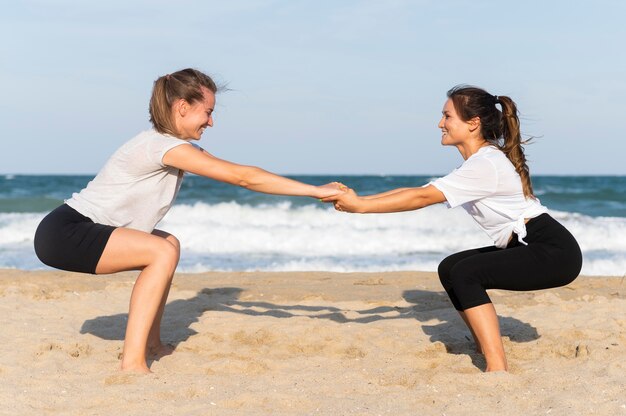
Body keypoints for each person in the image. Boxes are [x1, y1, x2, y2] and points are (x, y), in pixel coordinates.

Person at [34, 68, 345, 373]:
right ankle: (131, 364)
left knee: (167, 243)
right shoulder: (162, 147)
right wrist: (316, 191)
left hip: (74, 228)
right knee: (161, 251)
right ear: (182, 107)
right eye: (207, 112)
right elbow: (243, 178)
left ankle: (152, 345)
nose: (211, 121)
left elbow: (243, 174)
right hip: (67, 232)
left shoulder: (169, 145)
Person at [323, 85, 582, 372]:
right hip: (534, 245)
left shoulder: (486, 164)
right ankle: (483, 346)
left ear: (473, 124)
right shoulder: (481, 162)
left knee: (466, 273)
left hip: (553, 251)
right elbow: (421, 190)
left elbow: (421, 198)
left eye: (447, 116)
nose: (440, 124)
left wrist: (360, 207)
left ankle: (497, 367)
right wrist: (359, 200)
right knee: (451, 267)